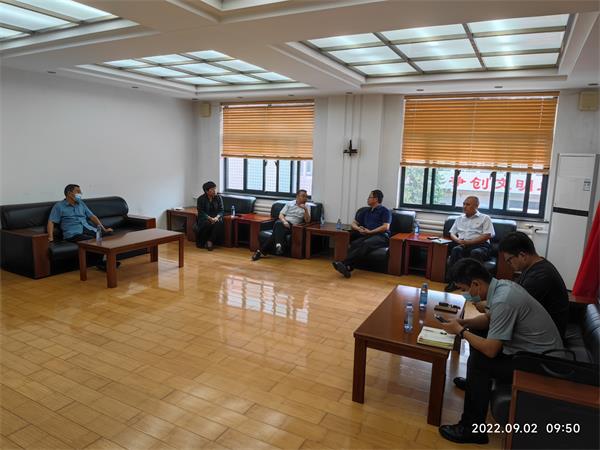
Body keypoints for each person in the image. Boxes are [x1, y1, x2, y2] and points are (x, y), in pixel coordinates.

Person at [438, 258, 563, 445]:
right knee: (477, 334)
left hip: (541, 363)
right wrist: (463, 323)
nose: (465, 294)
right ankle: (476, 385)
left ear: (476, 284)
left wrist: (460, 331)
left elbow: (491, 350)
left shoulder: (504, 300)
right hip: (531, 351)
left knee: (480, 363)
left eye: (464, 289)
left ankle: (472, 430)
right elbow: (489, 320)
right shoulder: (502, 286)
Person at [498, 231, 569, 338]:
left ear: (522, 255)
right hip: (539, 329)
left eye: (509, 260)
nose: (508, 264)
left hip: (546, 338)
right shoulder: (534, 266)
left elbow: (513, 308)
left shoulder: (539, 277)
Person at [47, 184, 116, 269]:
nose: (80, 194)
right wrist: (50, 237)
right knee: (93, 240)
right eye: (78, 192)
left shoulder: (81, 203)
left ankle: (107, 261)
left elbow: (92, 216)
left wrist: (104, 229)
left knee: (109, 235)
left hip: (87, 228)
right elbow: (51, 221)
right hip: (73, 233)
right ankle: (101, 263)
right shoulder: (59, 206)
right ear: (69, 193)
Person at [332, 189, 391, 278]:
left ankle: (344, 264)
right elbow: (353, 223)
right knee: (355, 243)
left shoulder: (385, 211)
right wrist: (359, 228)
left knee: (366, 243)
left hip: (381, 236)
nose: (367, 199)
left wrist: (371, 231)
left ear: (376, 199)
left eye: (369, 197)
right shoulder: (366, 211)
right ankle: (348, 268)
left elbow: (386, 227)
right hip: (367, 235)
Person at [445, 196, 494, 292]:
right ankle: (454, 282)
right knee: (456, 250)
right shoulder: (459, 218)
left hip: (480, 245)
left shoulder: (485, 218)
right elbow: (452, 233)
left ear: (476, 206)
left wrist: (470, 242)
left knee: (476, 252)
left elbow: (487, 235)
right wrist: (458, 240)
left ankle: (475, 283)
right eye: (464, 204)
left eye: (467, 204)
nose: (464, 206)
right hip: (463, 244)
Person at [252, 189, 310, 260]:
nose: (305, 198)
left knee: (277, 227)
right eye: (303, 196)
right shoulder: (289, 203)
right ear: (297, 196)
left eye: (306, 196)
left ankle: (261, 251)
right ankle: (277, 246)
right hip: (284, 223)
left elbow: (307, 221)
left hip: (294, 226)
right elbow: (281, 214)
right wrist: (284, 221)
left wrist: (305, 210)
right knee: (278, 224)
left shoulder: (307, 206)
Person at [195, 181, 224, 251]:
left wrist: (216, 217)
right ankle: (202, 241)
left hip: (215, 217)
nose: (215, 191)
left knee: (219, 222)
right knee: (207, 223)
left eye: (215, 188)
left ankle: (210, 241)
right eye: (212, 189)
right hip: (204, 217)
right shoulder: (201, 199)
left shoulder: (218, 197)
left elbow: (221, 210)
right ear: (207, 191)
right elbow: (201, 212)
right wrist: (209, 218)